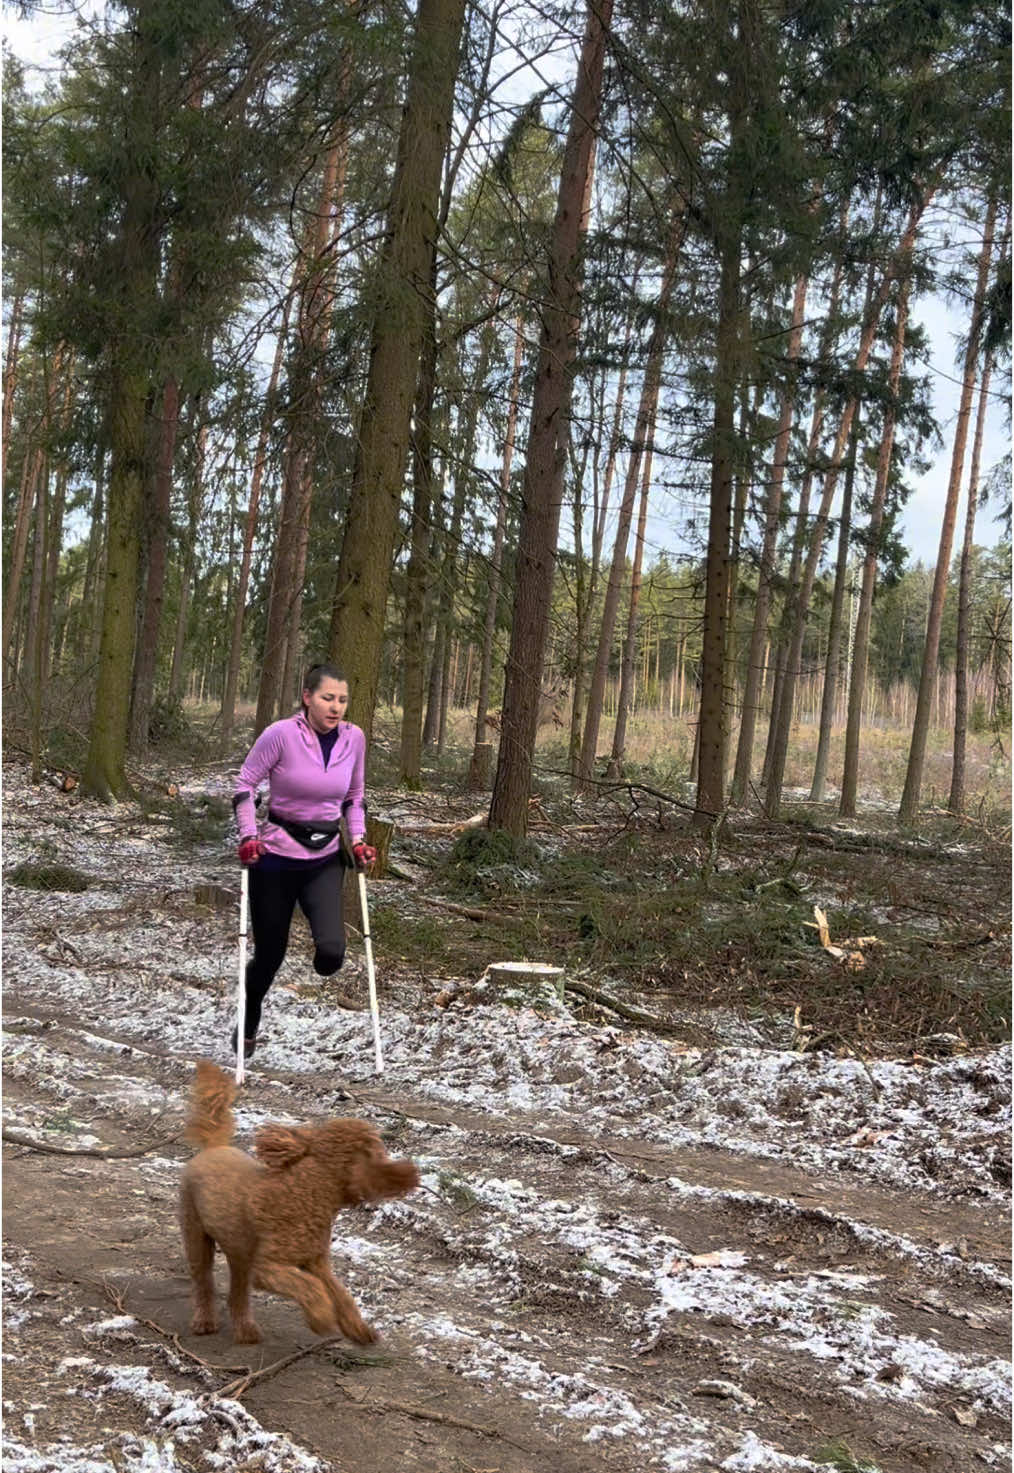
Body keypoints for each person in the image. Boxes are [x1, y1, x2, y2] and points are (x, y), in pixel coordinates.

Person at [230, 663, 377, 1058]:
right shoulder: (280, 735)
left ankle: (321, 957)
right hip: (275, 860)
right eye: (328, 698)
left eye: (343, 700)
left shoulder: (354, 739)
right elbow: (245, 785)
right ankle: (249, 1014)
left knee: (331, 954)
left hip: (324, 859)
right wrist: (248, 835)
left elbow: (354, 797)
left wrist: (359, 840)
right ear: (307, 697)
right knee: (270, 956)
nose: (336, 707)